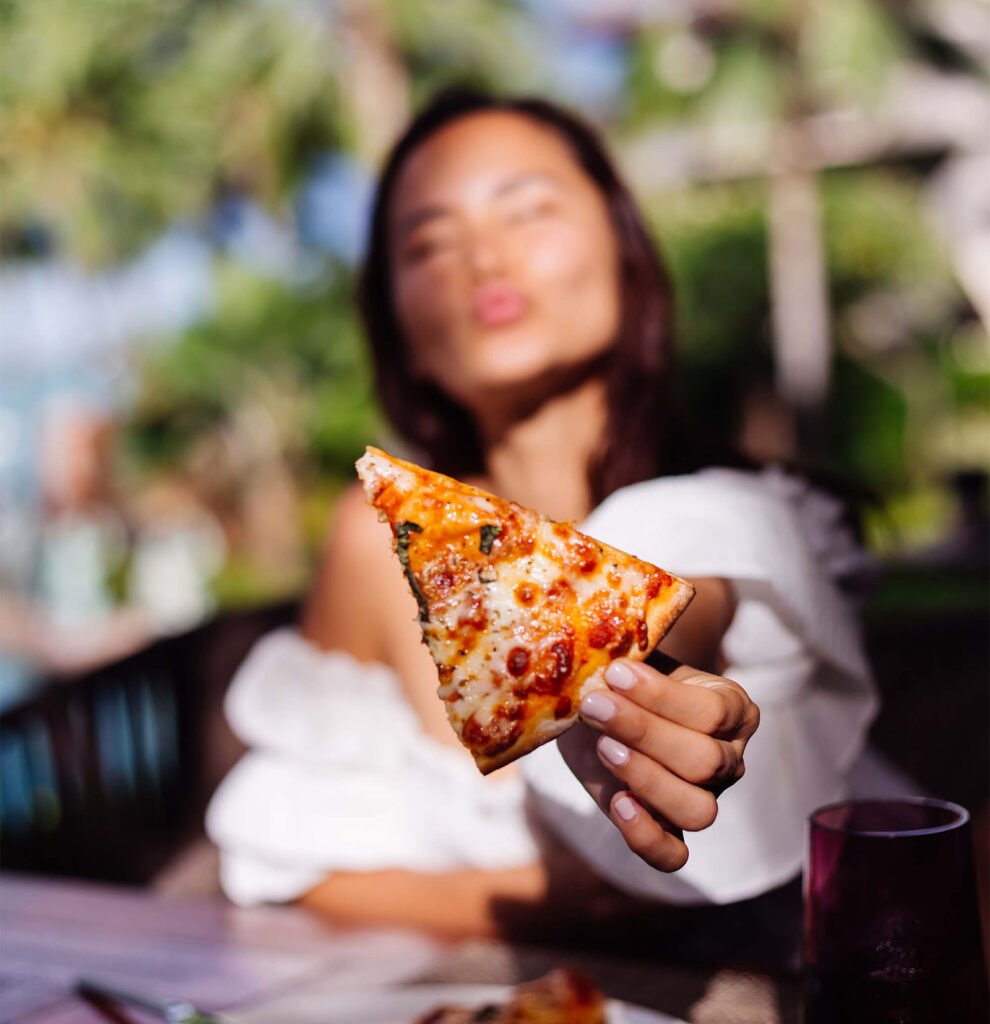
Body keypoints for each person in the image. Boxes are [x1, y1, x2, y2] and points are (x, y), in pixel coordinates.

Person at [206, 88, 877, 951]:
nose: (483, 259)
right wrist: (563, 896)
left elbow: (681, 603)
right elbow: (285, 861)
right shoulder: (381, 543)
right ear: (400, 328)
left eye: (527, 211)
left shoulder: (743, 514)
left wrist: (645, 688)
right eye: (429, 243)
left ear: (626, 254)